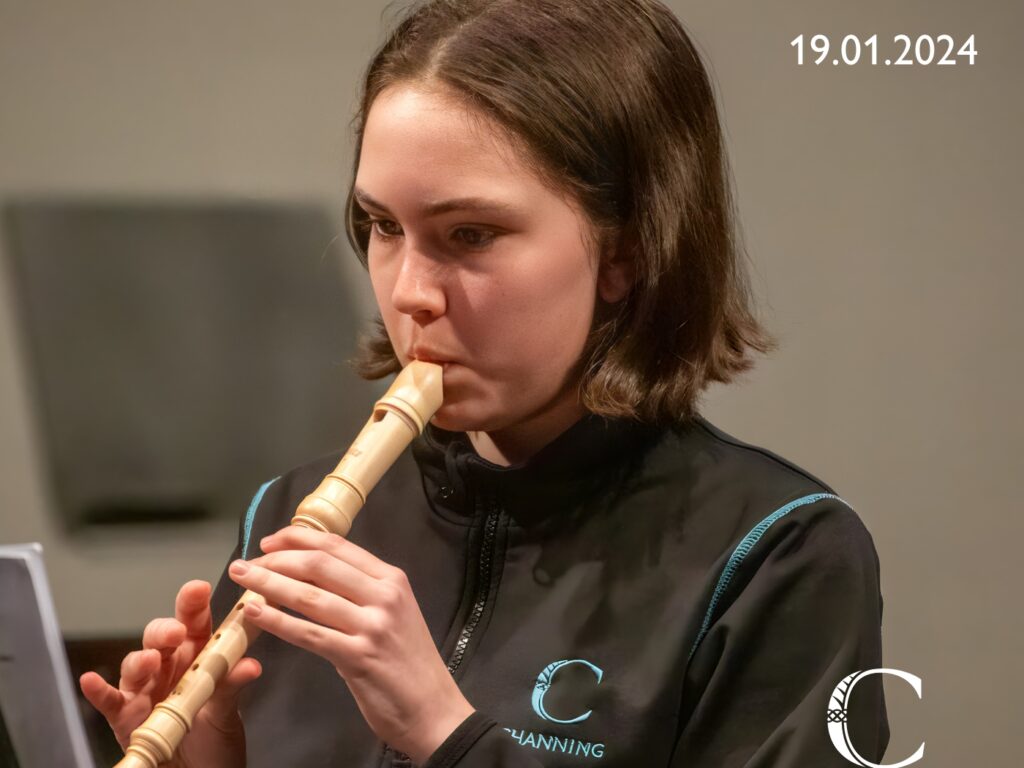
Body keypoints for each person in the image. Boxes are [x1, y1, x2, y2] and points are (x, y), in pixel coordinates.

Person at [80, 1, 890, 766]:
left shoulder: (779, 556)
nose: (409, 294)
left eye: (470, 234)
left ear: (628, 250)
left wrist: (447, 734)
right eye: (385, 228)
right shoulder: (289, 516)